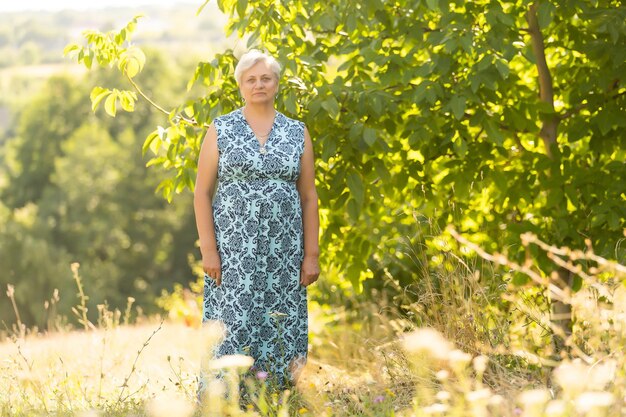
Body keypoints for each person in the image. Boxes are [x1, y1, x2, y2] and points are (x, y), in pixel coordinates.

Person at [193, 49, 320, 397]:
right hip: (233, 250)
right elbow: (201, 193)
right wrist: (209, 250)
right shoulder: (221, 129)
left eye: (266, 78)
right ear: (240, 86)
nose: (259, 84)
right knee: (233, 323)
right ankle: (226, 398)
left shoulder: (297, 132)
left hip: (285, 251)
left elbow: (308, 196)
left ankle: (280, 396)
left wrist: (312, 254)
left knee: (280, 321)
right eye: (251, 79)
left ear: (277, 84)